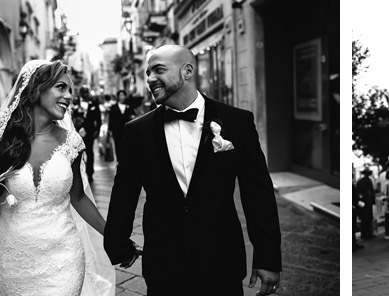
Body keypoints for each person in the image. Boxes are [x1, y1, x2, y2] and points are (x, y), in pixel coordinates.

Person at [103, 45, 281, 295]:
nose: (150, 79)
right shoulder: (137, 131)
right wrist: (118, 243)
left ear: (187, 71)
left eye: (158, 70)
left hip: (221, 261)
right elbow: (124, 192)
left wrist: (267, 257)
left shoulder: (237, 122)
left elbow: (258, 193)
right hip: (164, 265)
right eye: (148, 73)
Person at [0, 59, 115, 295]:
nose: (69, 96)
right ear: (37, 88)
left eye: (70, 90)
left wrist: (114, 236)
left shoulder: (72, 143)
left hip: (63, 259)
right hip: (9, 259)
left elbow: (79, 198)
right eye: (61, 87)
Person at [76, 87, 101, 182]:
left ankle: (90, 172)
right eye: (83, 92)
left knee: (90, 152)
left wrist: (97, 130)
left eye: (86, 92)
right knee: (78, 153)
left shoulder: (93, 103)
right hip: (77, 132)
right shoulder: (75, 103)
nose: (85, 94)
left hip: (90, 132)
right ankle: (78, 173)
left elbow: (98, 118)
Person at [109, 90, 137, 162]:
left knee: (126, 146)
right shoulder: (114, 107)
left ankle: (126, 161)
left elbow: (133, 116)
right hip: (117, 130)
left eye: (123, 95)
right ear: (118, 97)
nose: (122, 97)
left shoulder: (129, 106)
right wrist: (110, 130)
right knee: (118, 145)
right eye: (120, 95)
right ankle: (119, 161)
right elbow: (111, 119)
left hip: (127, 130)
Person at [356, 167, 377, 240]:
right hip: (364, 202)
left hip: (369, 202)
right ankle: (365, 234)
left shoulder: (369, 181)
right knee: (364, 219)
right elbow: (358, 192)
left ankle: (369, 233)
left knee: (369, 218)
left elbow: (372, 192)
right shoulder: (361, 182)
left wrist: (372, 200)